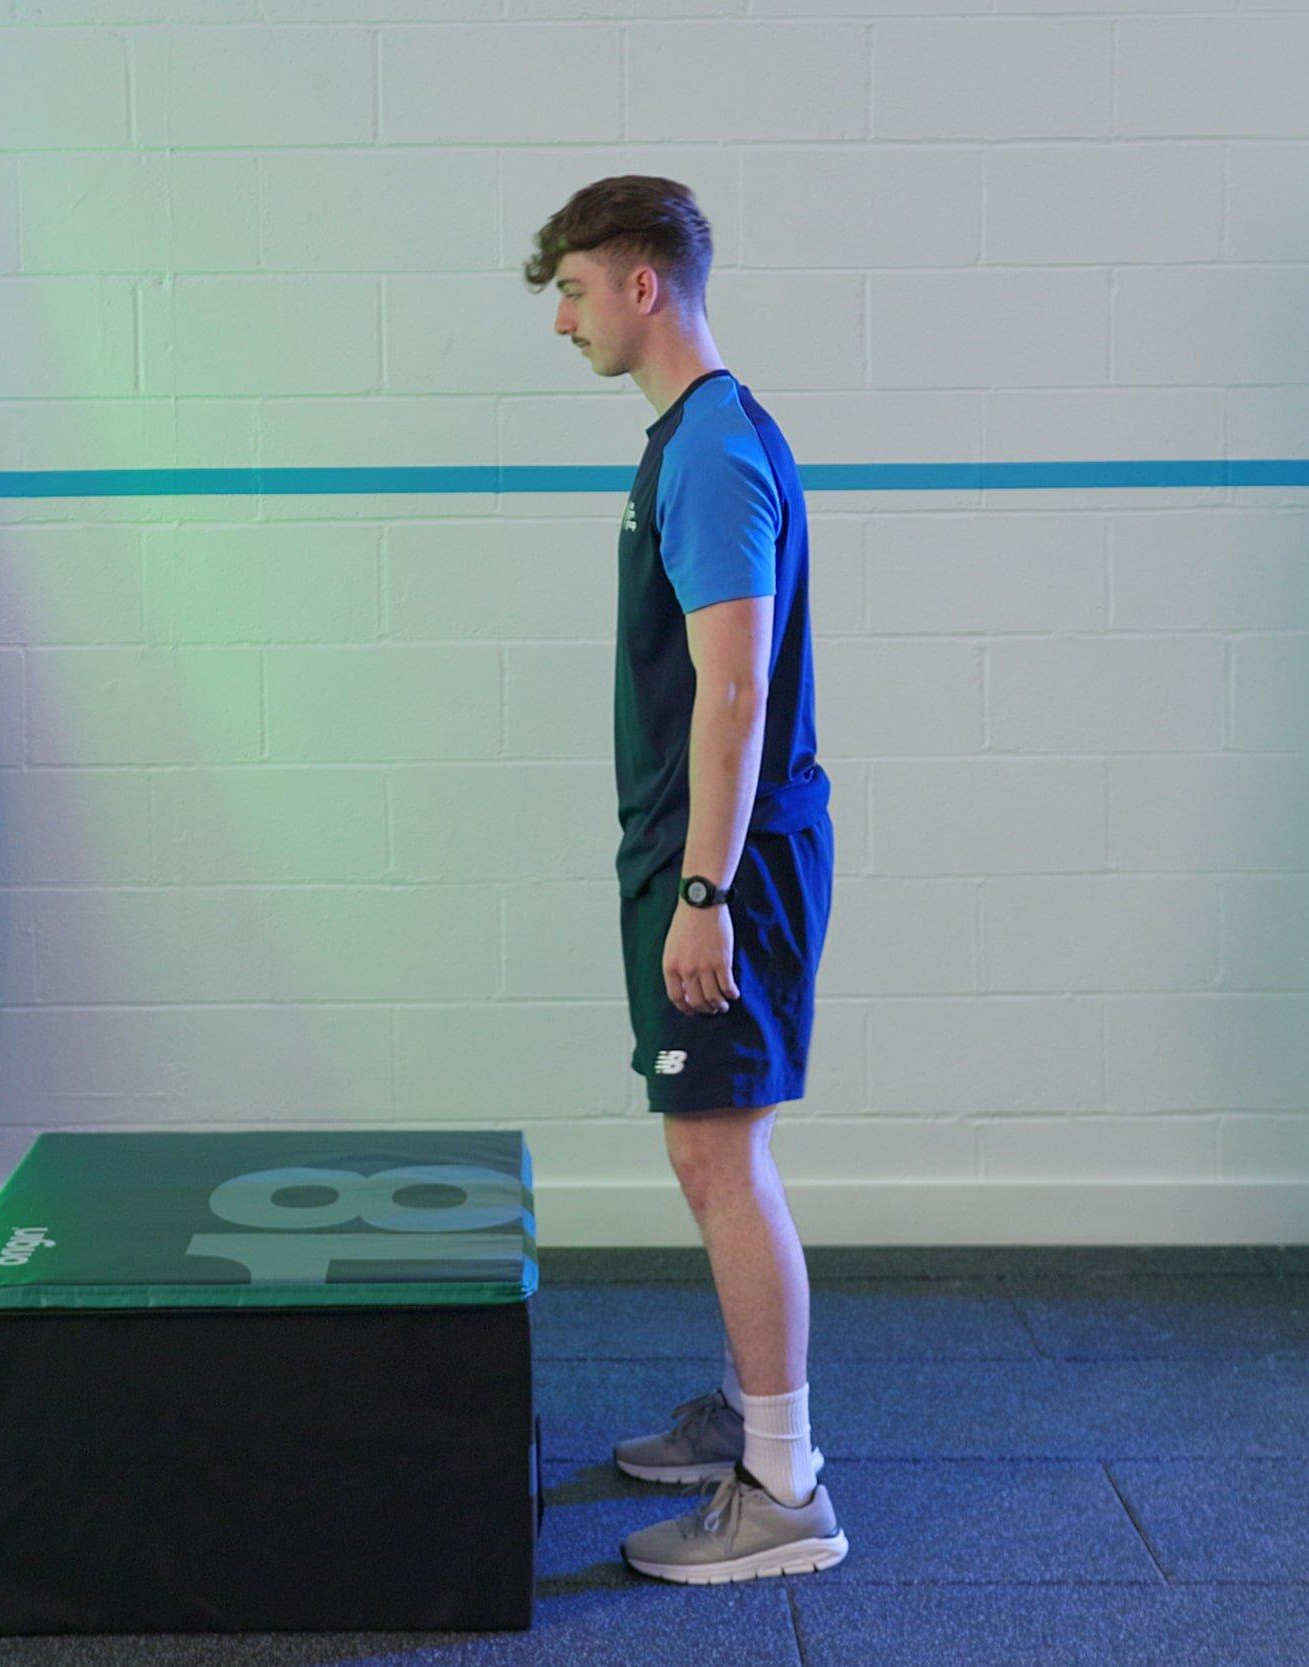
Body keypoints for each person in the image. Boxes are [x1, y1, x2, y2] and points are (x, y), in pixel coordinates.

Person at [524, 177, 846, 1583]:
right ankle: (746, 1414)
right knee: (710, 1146)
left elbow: (735, 688)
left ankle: (783, 1488)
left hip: (725, 863)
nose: (564, 319)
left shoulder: (713, 451)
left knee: (720, 1153)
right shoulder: (691, 440)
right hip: (694, 850)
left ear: (642, 284)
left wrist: (704, 893)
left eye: (576, 289)